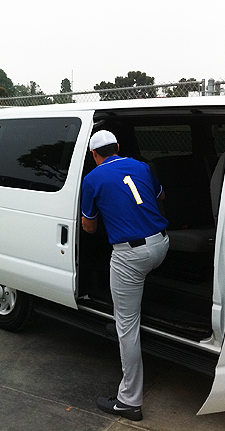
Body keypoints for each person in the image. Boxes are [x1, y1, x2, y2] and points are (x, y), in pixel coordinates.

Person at [81, 130, 169, 421]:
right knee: (128, 310)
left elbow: (89, 228)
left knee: (128, 328)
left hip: (131, 256)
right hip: (161, 244)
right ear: (118, 147)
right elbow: (161, 196)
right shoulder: (141, 165)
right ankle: (122, 318)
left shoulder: (92, 179)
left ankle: (129, 401)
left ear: (94, 155)